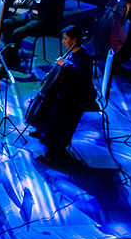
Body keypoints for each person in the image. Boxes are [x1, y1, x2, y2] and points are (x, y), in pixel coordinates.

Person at [28, 25, 97, 160]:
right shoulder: (72, 52)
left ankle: (56, 147)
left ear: (74, 40)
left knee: (60, 108)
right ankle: (43, 131)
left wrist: (64, 65)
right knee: (49, 100)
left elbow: (79, 77)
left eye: (65, 39)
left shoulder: (84, 56)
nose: (63, 41)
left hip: (79, 95)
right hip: (69, 90)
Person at [0, 0, 66, 68]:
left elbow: (51, 9)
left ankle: (11, 60)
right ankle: (11, 55)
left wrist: (35, 3)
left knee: (17, 33)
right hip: (33, 15)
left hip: (45, 20)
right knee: (7, 23)